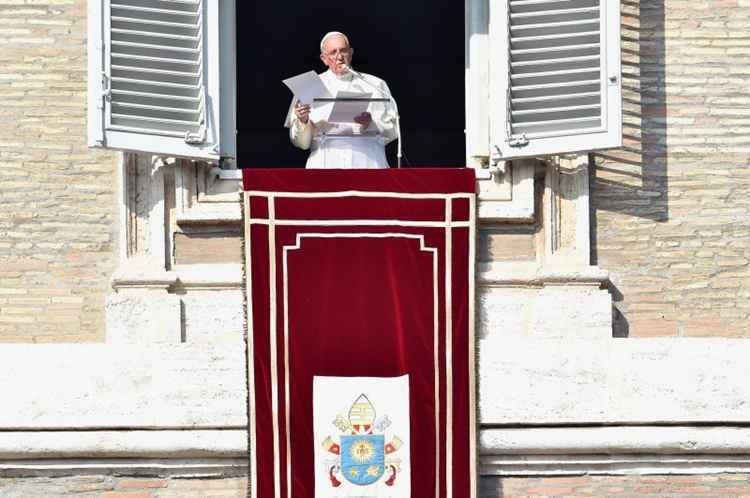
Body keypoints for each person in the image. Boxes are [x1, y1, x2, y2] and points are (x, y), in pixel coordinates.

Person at [285, 31, 398, 169]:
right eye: (333, 52)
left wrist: (370, 124)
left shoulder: (375, 84)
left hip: (367, 162)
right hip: (325, 164)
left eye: (343, 51)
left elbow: (393, 131)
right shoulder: (308, 85)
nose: (339, 57)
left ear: (350, 53)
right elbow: (301, 144)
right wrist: (303, 121)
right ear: (324, 58)